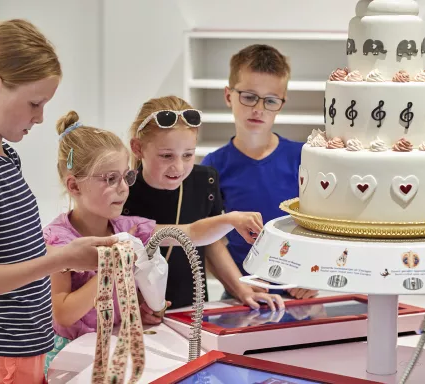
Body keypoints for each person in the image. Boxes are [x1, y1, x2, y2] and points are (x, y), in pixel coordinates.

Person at [0, 20, 118, 384]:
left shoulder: (5, 157)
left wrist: (66, 253)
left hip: (26, 352)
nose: (39, 118)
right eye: (35, 103)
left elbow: (15, 255)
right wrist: (62, 258)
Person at [42, 110, 272, 374]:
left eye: (126, 177)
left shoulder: (129, 228)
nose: (122, 188)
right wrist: (111, 270)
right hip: (73, 358)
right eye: (110, 179)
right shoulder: (59, 239)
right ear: (74, 186)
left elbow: (191, 233)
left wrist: (230, 220)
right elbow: (62, 314)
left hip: (116, 347)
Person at [124, 95, 285, 310]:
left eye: (188, 155)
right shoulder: (121, 192)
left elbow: (212, 244)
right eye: (166, 156)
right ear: (137, 148)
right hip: (133, 313)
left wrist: (242, 289)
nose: (179, 167)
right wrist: (134, 307)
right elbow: (192, 233)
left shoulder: (204, 181)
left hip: (192, 309)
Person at [201, 44, 318, 300]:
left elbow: (324, 226)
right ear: (228, 95)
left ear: (282, 103)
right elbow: (207, 239)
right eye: (249, 96)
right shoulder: (212, 166)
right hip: (243, 293)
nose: (258, 108)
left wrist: (312, 274)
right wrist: (239, 287)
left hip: (300, 291)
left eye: (270, 100)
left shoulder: (305, 158)